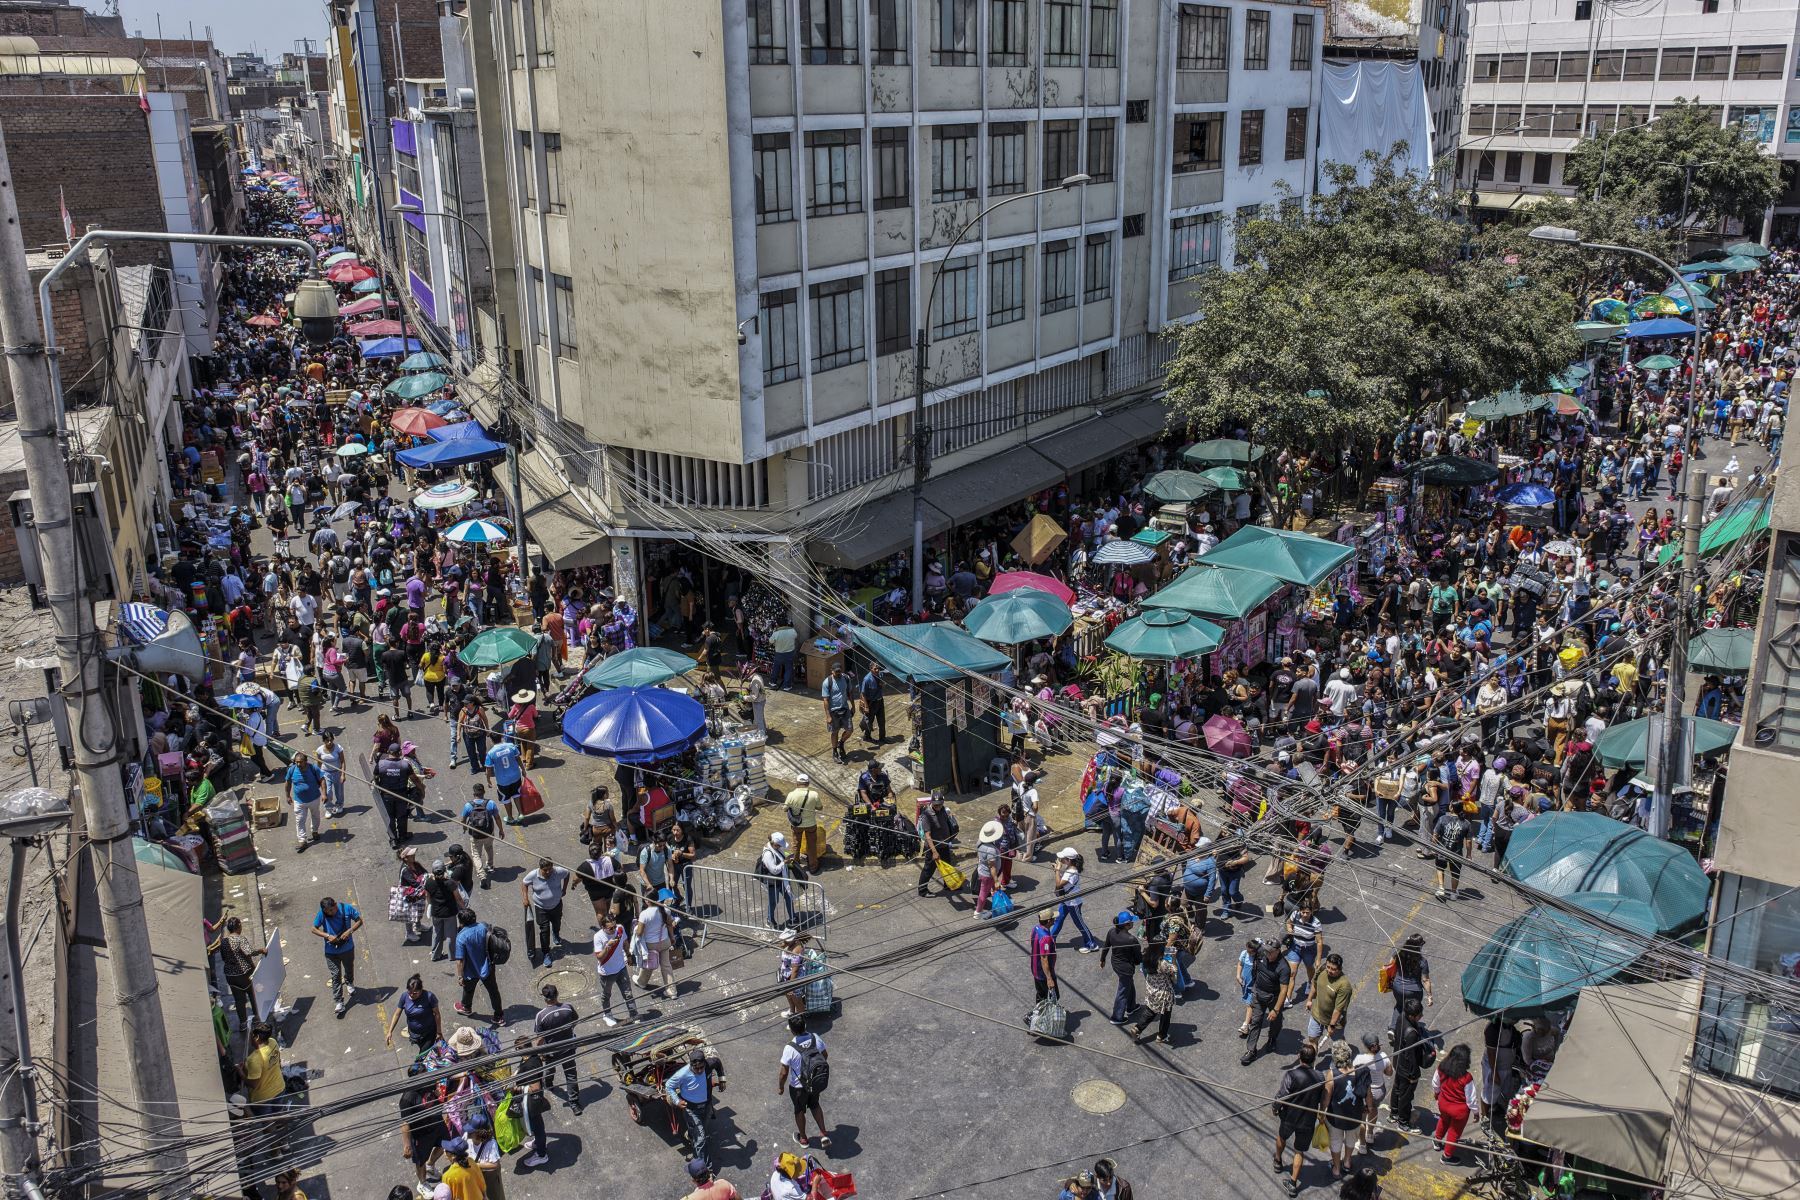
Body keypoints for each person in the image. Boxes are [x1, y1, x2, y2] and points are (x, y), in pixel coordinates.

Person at [1272, 1042, 1326, 1197]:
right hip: (1307, 1120)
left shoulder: (1291, 1075)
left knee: (1282, 1137)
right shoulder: (1320, 1078)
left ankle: (1277, 1161)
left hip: (1289, 1116)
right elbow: (1322, 1099)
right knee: (1299, 1151)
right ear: (1314, 1059)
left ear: (1299, 1057)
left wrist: (1275, 1108)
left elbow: (1282, 1096)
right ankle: (1293, 1183)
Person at [206, 916, 265, 1045]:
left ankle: (243, 1023)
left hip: (230, 975)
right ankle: (256, 1018)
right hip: (244, 974)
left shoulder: (224, 941)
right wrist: (261, 950)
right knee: (252, 995)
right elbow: (249, 952)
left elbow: (223, 957)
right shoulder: (240, 939)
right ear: (238, 927)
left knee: (238, 999)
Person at [664, 1046, 726, 1168]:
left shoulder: (709, 1064)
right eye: (695, 1068)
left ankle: (691, 1135)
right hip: (691, 1109)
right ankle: (705, 1169)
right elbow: (668, 1086)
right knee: (701, 1140)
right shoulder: (682, 1074)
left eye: (701, 1068)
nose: (698, 1071)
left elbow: (718, 1062)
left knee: (701, 1130)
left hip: (707, 1105)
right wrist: (677, 1101)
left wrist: (722, 1079)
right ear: (690, 1064)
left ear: (705, 1063)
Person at [779, 1012, 831, 1149]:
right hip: (814, 1082)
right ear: (805, 1025)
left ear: (791, 1029)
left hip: (797, 1087)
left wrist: (781, 1087)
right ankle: (823, 1133)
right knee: (815, 1105)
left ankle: (803, 1139)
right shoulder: (815, 1038)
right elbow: (825, 1055)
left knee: (799, 1110)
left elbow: (783, 1073)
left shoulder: (789, 1048)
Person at [1130, 916, 1183, 1045]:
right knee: (1166, 1014)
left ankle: (1137, 1028)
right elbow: (1174, 970)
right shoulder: (1162, 963)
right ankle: (1162, 1035)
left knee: (1151, 1010)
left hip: (1151, 988)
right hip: (1163, 992)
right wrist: (1174, 957)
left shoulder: (1146, 957)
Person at [1241, 938, 1293, 1065]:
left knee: (1275, 1021)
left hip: (1273, 999)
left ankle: (1272, 1039)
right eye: (1266, 951)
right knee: (1256, 1021)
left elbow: (1283, 990)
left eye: (1270, 952)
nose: (1267, 954)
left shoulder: (1283, 967)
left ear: (1278, 951)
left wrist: (1275, 1009)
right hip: (1258, 995)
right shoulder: (1261, 953)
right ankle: (1251, 1051)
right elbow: (1251, 949)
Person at [531, 983, 582, 1114]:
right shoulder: (568, 1008)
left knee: (549, 1069)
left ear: (544, 998)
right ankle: (574, 1103)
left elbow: (540, 1038)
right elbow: (575, 1021)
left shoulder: (541, 1016)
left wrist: (538, 1051)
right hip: (568, 1049)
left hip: (551, 1052)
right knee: (571, 1075)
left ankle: (548, 1084)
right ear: (557, 994)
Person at [398, 1062, 448, 1191]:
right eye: (423, 1074)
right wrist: (407, 1145)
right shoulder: (408, 1097)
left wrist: (437, 1095)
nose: (427, 1075)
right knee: (420, 1161)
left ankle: (431, 1164)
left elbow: (437, 1093)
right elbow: (405, 1123)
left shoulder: (429, 1082)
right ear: (415, 1078)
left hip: (437, 1123)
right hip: (421, 1133)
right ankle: (422, 1183)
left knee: (446, 1145)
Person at [1323, 1042, 1370, 1178]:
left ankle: (1337, 1169)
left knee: (1336, 1141)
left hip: (1335, 1118)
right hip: (1354, 1117)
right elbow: (1368, 1094)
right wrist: (1369, 1107)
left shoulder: (1332, 1074)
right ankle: (1348, 1162)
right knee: (1351, 1140)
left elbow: (1326, 1098)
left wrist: (1321, 1113)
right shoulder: (1359, 1072)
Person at [312, 895, 362, 1018]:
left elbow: (360, 921)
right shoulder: (321, 914)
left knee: (349, 968)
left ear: (335, 905)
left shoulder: (347, 909)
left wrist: (349, 931)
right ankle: (339, 1001)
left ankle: (349, 982)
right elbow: (313, 929)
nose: (330, 913)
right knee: (335, 975)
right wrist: (327, 935)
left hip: (347, 949)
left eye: (332, 910)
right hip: (330, 951)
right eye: (327, 912)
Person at [452, 908, 505, 1024]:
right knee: (493, 991)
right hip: (487, 967)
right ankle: (499, 1016)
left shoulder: (461, 937)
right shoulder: (484, 927)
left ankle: (466, 1007)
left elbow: (460, 961)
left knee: (468, 989)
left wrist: (460, 976)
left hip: (470, 971)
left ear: (461, 922)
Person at [1387, 998, 1433, 1132]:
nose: (1422, 1016)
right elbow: (1411, 1057)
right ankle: (1403, 1122)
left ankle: (1394, 1113)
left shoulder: (1401, 1017)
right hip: (1407, 1069)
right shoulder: (1412, 1033)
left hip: (1398, 1060)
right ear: (1412, 1016)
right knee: (1406, 1096)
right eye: (1419, 1015)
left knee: (1397, 1088)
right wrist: (1413, 1074)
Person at [1432, 1043, 1478, 1162]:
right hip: (1459, 1112)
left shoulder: (1441, 1068)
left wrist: (1437, 1094)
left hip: (1443, 1104)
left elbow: (1435, 1083)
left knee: (1443, 1120)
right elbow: (1471, 1099)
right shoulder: (1466, 1078)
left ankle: (1437, 1141)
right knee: (1454, 1132)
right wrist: (1476, 1113)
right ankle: (1446, 1156)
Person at [520, 857, 571, 966]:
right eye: (545, 870)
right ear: (540, 868)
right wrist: (525, 898)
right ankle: (546, 953)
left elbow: (567, 874)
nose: (548, 872)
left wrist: (564, 889)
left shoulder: (558, 871)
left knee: (557, 923)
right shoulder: (533, 875)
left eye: (550, 869)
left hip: (556, 905)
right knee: (545, 930)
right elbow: (524, 883)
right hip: (541, 908)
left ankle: (556, 934)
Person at [592, 910, 638, 1026]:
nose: (613, 930)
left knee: (628, 993)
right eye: (610, 928)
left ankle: (634, 1014)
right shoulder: (598, 937)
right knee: (606, 995)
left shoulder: (620, 929)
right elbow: (599, 957)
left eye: (614, 926)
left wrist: (628, 955)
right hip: (607, 972)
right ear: (603, 927)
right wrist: (607, 946)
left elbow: (625, 943)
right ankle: (607, 1014)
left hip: (621, 968)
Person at [1049, 846, 1099, 951]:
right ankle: (1050, 940)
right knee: (1059, 919)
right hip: (1066, 900)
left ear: (1068, 860)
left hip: (1073, 902)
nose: (1060, 860)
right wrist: (1057, 871)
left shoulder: (1071, 872)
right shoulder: (1070, 869)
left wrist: (1057, 870)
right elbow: (1063, 881)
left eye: (1062, 858)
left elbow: (1058, 885)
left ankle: (1091, 944)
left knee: (1079, 923)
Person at [1099, 910, 1144, 1025]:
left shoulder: (1112, 932)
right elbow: (1139, 959)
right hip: (1126, 968)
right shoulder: (1131, 940)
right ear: (1127, 924)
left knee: (1129, 984)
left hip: (1115, 964)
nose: (1133, 924)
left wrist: (1102, 959)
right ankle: (1117, 1016)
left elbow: (1106, 946)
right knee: (1123, 990)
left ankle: (1131, 1006)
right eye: (1131, 922)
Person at [1352, 1031, 1393, 1155]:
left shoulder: (1360, 1059)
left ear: (1366, 1046)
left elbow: (1353, 1074)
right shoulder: (1384, 1056)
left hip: (1366, 1091)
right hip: (1380, 1090)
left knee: (1362, 1118)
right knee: (1374, 1109)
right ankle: (1370, 1134)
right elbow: (1389, 1073)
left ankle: (1362, 1144)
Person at [915, 792, 960, 901]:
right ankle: (923, 890)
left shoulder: (943, 809)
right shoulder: (927, 815)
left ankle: (948, 885)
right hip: (933, 847)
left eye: (940, 804)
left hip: (944, 844)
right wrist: (934, 852)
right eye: (936, 805)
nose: (938, 807)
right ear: (931, 803)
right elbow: (927, 836)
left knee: (947, 865)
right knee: (928, 869)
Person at [373, 744, 418, 848]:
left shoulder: (380, 764)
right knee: (402, 816)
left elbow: (375, 777)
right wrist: (421, 787)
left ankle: (393, 839)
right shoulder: (405, 765)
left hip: (386, 796)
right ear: (399, 753)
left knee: (390, 817)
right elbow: (414, 779)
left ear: (388, 752)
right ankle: (402, 836)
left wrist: (377, 787)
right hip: (401, 796)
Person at [460, 784, 505, 886]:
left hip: (475, 835)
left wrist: (465, 827)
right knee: (489, 848)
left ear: (474, 793)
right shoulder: (491, 804)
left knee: (476, 855)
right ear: (483, 792)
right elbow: (497, 818)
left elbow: (463, 820)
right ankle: (489, 866)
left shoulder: (468, 806)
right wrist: (501, 830)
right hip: (488, 833)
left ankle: (482, 875)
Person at [386, 973, 444, 1052]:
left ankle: (419, 1063)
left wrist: (439, 1032)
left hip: (429, 1033)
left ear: (421, 990)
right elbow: (397, 1014)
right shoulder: (404, 997)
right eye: (410, 992)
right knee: (425, 1050)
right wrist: (390, 1031)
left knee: (422, 1056)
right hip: (414, 1034)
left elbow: (437, 1014)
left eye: (415, 993)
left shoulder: (429, 997)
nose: (412, 995)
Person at [423, 858, 467, 961]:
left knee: (437, 934)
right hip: (449, 913)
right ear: (444, 871)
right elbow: (458, 898)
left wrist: (431, 905)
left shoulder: (428, 882)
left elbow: (428, 898)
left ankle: (435, 955)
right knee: (451, 936)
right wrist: (464, 908)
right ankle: (453, 955)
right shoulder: (450, 883)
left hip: (436, 913)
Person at [1307, 952, 1355, 1044]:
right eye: (1328, 967)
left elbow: (1338, 1009)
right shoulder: (1322, 969)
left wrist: (1332, 1025)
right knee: (1312, 1040)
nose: (1329, 970)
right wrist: (1309, 1000)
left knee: (1338, 1045)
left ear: (1340, 969)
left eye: (1333, 969)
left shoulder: (1344, 986)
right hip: (1317, 1014)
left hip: (1334, 1022)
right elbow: (1314, 983)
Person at [283, 751, 326, 852]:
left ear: (306, 761)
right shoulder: (292, 770)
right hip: (299, 801)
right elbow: (288, 782)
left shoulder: (313, 768)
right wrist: (288, 796)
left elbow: (322, 780)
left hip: (314, 799)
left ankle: (314, 831)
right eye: (296, 762)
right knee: (300, 820)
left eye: (300, 762)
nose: (298, 764)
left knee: (315, 816)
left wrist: (324, 794)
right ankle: (302, 841)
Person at [783, 774, 825, 873]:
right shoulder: (814, 794)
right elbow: (820, 807)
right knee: (811, 845)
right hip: (811, 824)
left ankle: (796, 864)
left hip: (796, 825)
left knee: (796, 844)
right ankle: (813, 867)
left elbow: (784, 809)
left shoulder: (791, 795)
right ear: (808, 783)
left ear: (797, 783)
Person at [758, 831, 797, 928]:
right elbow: (774, 870)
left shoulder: (776, 849)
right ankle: (770, 920)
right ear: (774, 844)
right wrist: (784, 862)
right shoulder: (768, 854)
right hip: (774, 882)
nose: (781, 847)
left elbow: (781, 858)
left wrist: (787, 860)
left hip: (782, 879)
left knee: (789, 897)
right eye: (779, 846)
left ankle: (793, 918)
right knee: (773, 902)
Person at [483, 736, 525, 825]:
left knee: (506, 799)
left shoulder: (491, 753)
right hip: (515, 776)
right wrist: (523, 769)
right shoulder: (511, 746)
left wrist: (488, 780)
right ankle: (520, 813)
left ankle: (510, 817)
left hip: (503, 780)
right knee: (516, 794)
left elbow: (488, 769)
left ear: (492, 740)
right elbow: (518, 758)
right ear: (501, 738)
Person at [820, 662, 854, 762]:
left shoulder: (846, 678)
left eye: (840, 671)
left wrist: (853, 706)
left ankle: (841, 743)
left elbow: (850, 692)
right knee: (835, 732)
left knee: (850, 730)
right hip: (833, 712)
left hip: (845, 709)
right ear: (832, 671)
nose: (838, 673)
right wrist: (828, 716)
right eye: (836, 672)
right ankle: (835, 751)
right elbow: (825, 700)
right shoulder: (827, 682)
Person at [1030, 907, 1059, 1009]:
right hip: (1043, 973)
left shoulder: (1036, 928)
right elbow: (1044, 958)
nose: (1054, 920)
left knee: (1040, 994)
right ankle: (1044, 1017)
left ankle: (1037, 1013)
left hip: (1035, 969)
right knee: (1053, 997)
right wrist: (1049, 978)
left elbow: (1032, 942)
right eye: (1053, 919)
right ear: (1048, 921)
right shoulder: (1046, 938)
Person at [316, 732, 346, 816]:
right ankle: (328, 808)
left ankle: (339, 805)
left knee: (339, 792)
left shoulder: (338, 748)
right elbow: (318, 764)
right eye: (327, 741)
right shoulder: (319, 750)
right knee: (327, 792)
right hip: (325, 773)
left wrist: (343, 774)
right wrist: (318, 776)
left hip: (337, 772)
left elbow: (343, 761)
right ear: (323, 741)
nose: (329, 742)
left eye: (331, 740)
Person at [857, 661, 887, 743]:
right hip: (871, 703)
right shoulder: (867, 679)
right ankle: (867, 736)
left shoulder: (880, 675)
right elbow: (863, 694)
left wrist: (882, 684)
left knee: (882, 720)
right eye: (875, 669)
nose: (877, 670)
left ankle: (882, 738)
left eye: (878, 668)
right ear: (870, 669)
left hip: (880, 701)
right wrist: (866, 706)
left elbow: (882, 684)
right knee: (869, 720)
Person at [770, 619, 798, 690]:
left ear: (778, 625)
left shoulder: (776, 632)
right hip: (789, 653)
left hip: (779, 653)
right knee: (788, 669)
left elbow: (770, 641)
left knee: (776, 668)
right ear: (786, 624)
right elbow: (795, 636)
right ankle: (787, 686)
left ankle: (773, 682)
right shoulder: (792, 631)